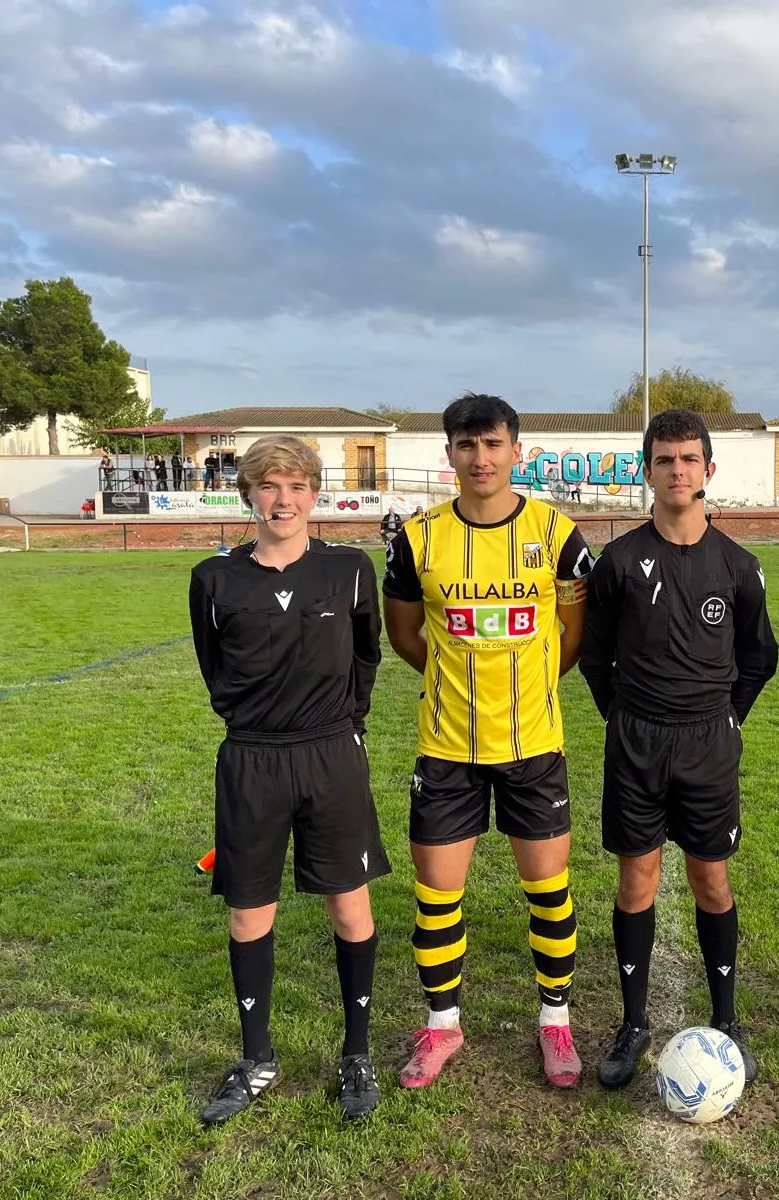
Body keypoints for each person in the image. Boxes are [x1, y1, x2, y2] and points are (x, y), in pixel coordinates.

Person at [382, 393, 596, 1090]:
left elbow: (573, 634)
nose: (481, 459)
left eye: (493, 445)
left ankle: (554, 1021)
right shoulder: (416, 540)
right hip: (447, 748)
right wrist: (456, 679)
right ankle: (442, 1027)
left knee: (549, 889)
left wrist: (529, 683)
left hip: (535, 744)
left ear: (516, 452)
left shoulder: (559, 534)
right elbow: (406, 635)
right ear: (449, 455)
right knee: (438, 896)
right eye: (466, 446)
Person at [187, 434, 390, 1125]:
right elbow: (215, 669)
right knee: (249, 912)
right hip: (252, 759)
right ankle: (256, 1058)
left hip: (331, 755)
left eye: (298, 486)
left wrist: (344, 725)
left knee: (349, 906)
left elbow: (367, 657)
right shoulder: (214, 580)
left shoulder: (350, 570)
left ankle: (355, 1053)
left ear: (315, 494)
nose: (284, 499)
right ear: (248, 495)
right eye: (270, 486)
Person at [579, 409, 779, 1089]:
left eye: (689, 459)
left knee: (710, 879)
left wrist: (725, 721)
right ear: (648, 470)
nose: (677, 470)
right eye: (665, 459)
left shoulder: (738, 565)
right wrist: (625, 716)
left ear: (709, 470)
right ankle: (634, 1023)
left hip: (707, 744)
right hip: (636, 741)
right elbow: (593, 654)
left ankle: (726, 1020)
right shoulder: (620, 560)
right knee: (635, 880)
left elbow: (759, 658)